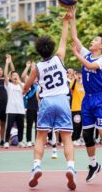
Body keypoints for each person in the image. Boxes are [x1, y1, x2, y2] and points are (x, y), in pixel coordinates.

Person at [23, 13, 76, 190]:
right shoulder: (59, 58)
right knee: (66, 137)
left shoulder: (37, 67)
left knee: (41, 136)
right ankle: (70, 167)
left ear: (39, 51)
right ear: (51, 48)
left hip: (46, 101)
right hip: (62, 100)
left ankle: (37, 165)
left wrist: (23, 92)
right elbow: (63, 38)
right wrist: (66, 22)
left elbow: (27, 85)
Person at [70, 7, 102, 184]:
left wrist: (76, 55)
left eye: (95, 40)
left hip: (100, 99)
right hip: (87, 99)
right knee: (88, 135)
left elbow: (90, 67)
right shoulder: (87, 54)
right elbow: (75, 38)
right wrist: (72, 17)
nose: (91, 41)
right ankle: (93, 165)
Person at [3, 54, 26, 148]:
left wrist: (19, 81)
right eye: (13, 76)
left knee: (21, 126)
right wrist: (7, 63)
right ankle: (6, 142)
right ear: (11, 77)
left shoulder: (22, 84)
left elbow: (25, 90)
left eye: (16, 75)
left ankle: (20, 141)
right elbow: (5, 75)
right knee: (8, 126)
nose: (15, 77)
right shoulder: (9, 85)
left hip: (20, 109)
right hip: (11, 109)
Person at [70, 70, 85, 146]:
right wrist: (75, 78)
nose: (80, 76)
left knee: (81, 124)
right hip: (76, 108)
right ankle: (73, 139)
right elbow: (70, 88)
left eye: (81, 74)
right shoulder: (74, 83)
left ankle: (78, 138)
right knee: (76, 124)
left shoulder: (83, 84)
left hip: (83, 108)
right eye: (78, 74)